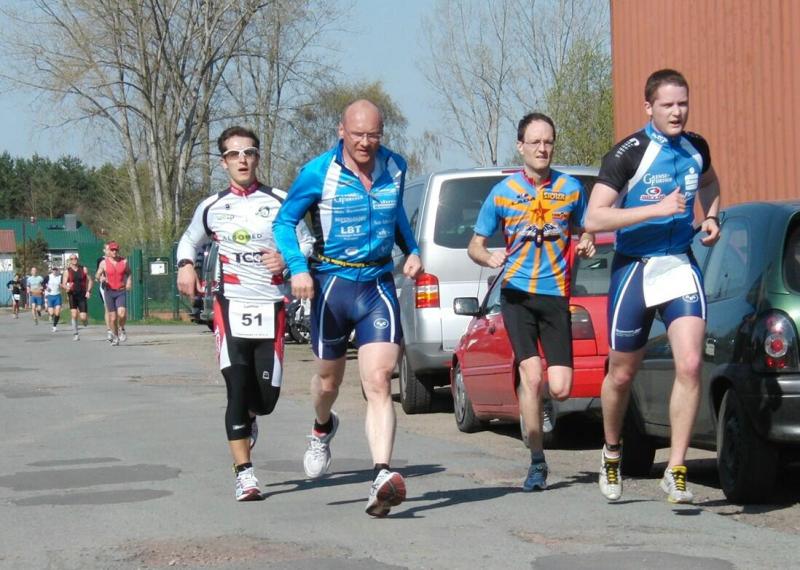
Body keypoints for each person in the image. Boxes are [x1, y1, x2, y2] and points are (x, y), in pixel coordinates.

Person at [273, 99, 423, 517]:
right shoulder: (317, 172)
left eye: (373, 135)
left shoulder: (395, 166)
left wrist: (412, 249)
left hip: (377, 283)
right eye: (358, 134)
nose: (365, 143)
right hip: (331, 286)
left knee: (379, 379)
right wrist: (297, 268)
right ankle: (322, 427)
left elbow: (396, 215)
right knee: (328, 381)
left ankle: (381, 475)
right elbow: (284, 222)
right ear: (341, 131)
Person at [585, 69, 721, 504]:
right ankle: (611, 451)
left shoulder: (696, 147)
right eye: (667, 105)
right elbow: (594, 217)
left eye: (683, 103)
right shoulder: (628, 154)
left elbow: (710, 182)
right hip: (636, 269)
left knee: (691, 364)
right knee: (622, 373)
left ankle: (676, 469)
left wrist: (711, 216)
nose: (677, 112)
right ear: (649, 107)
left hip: (679, 262)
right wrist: (654, 209)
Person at [177, 126, 314, 502]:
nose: (242, 160)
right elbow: (189, 240)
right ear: (223, 162)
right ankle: (245, 474)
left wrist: (287, 260)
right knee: (236, 387)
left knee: (265, 401)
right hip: (230, 306)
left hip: (271, 307)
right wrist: (186, 265)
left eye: (249, 153)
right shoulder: (212, 206)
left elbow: (307, 242)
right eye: (233, 154)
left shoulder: (282, 201)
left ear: (257, 158)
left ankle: (251, 417)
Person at [468, 112, 595, 492]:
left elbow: (586, 229)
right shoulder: (502, 192)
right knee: (532, 374)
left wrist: (586, 242)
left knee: (561, 388)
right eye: (535, 142)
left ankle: (530, 397)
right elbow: (475, 245)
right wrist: (488, 257)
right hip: (517, 295)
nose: (542, 148)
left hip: (555, 295)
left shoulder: (571, 189)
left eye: (548, 142)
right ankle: (537, 460)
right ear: (520, 146)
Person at [95, 241, 132, 346]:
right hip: (109, 291)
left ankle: (122, 328)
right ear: (109, 251)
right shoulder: (104, 263)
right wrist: (100, 278)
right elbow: (97, 275)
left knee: (122, 313)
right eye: (112, 250)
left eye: (116, 250)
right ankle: (115, 337)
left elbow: (129, 272)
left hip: (120, 290)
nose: (114, 252)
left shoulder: (124, 261)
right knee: (113, 318)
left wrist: (129, 282)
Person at [63, 254, 93, 341]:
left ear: (77, 259)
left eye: (75, 258)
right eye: (72, 259)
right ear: (70, 260)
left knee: (83, 317)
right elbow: (63, 284)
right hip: (72, 294)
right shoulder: (67, 271)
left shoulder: (83, 269)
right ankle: (75, 333)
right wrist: (67, 287)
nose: (74, 260)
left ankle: (84, 320)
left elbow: (90, 280)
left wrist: (88, 291)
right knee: (74, 314)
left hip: (82, 294)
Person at [97, 244, 113, 342]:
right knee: (108, 308)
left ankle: (117, 329)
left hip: (117, 287)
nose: (110, 251)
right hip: (105, 287)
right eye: (108, 249)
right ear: (104, 250)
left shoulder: (118, 260)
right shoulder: (101, 260)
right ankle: (109, 331)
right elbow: (98, 273)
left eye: (111, 249)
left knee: (117, 310)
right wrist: (101, 278)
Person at [43, 266, 63, 332]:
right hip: (50, 296)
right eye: (53, 270)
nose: (55, 271)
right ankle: (52, 316)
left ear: (58, 271)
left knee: (57, 312)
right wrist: (46, 288)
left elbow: (64, 284)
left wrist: (62, 285)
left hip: (57, 296)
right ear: (52, 271)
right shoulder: (48, 276)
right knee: (51, 313)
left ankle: (54, 326)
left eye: (56, 270)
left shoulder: (60, 277)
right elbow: (43, 283)